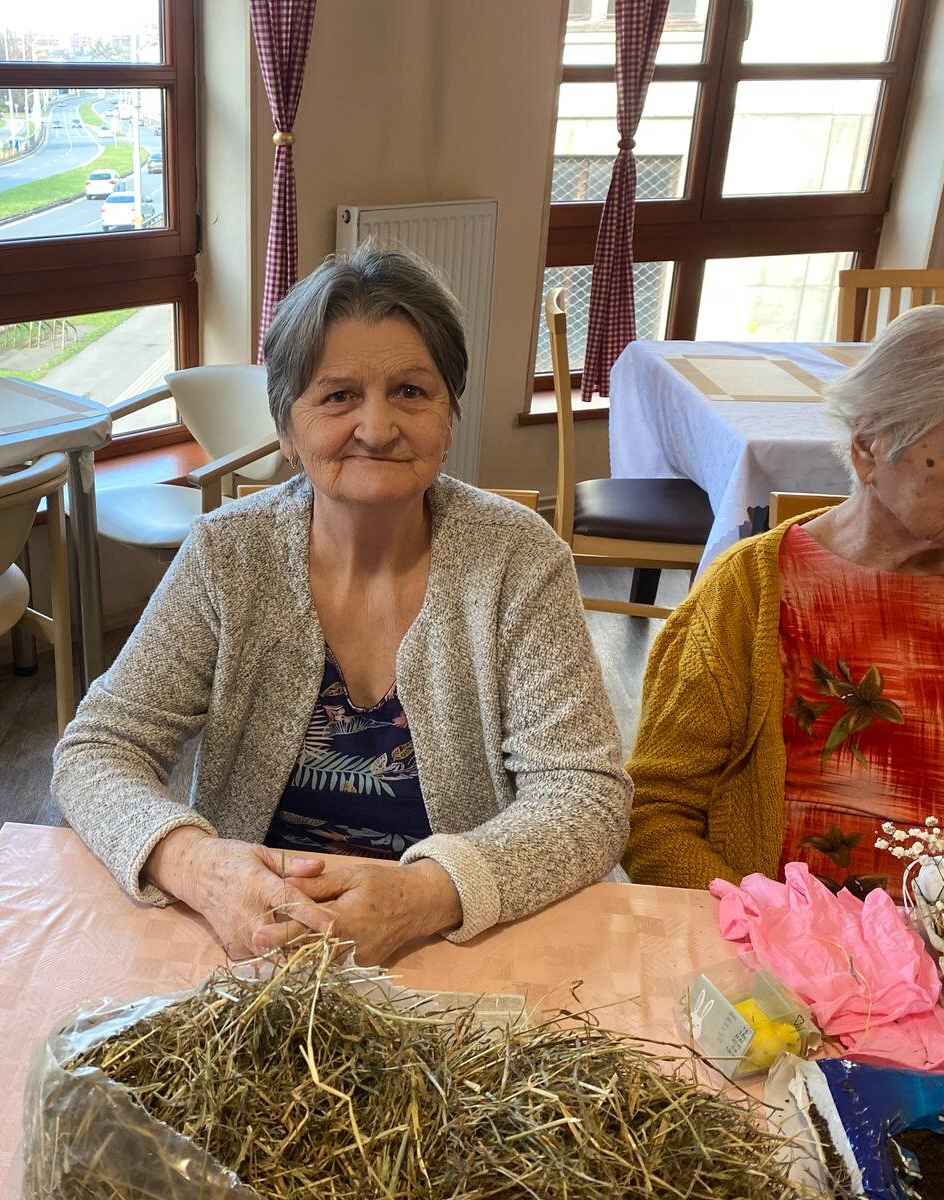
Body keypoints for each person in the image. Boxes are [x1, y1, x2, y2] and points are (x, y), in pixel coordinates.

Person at [53, 244, 631, 965]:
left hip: (449, 944)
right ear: (287, 430)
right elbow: (98, 748)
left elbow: (585, 794)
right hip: (256, 945)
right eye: (338, 396)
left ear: (450, 416)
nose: (378, 428)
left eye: (412, 391)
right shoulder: (228, 555)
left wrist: (423, 894)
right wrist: (198, 864)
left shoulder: (518, 558)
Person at [624, 305, 944, 894]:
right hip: (774, 938)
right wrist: (767, 924)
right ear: (869, 447)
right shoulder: (749, 590)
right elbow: (655, 812)